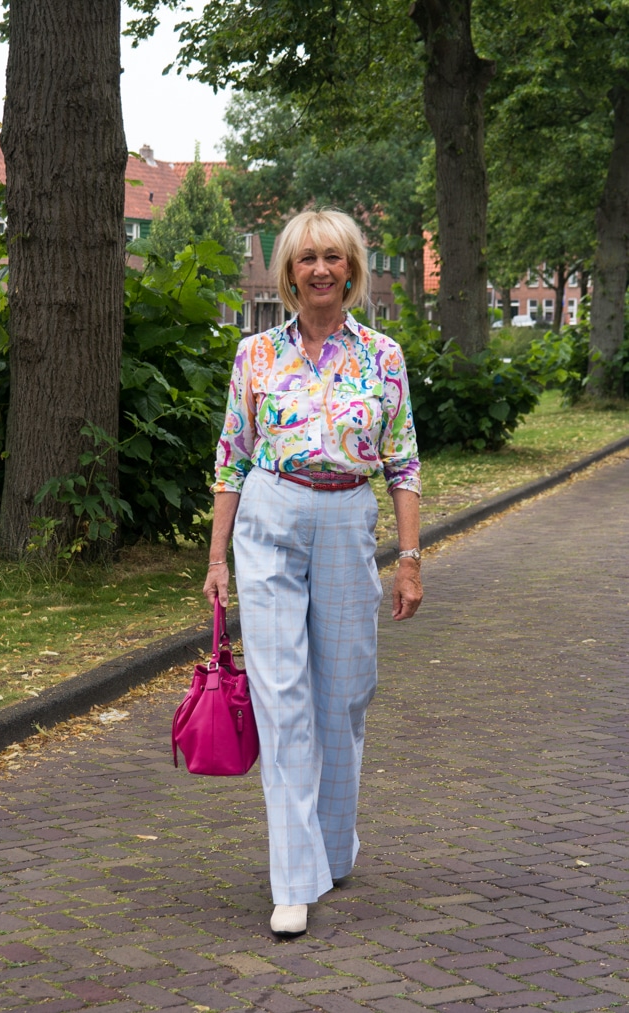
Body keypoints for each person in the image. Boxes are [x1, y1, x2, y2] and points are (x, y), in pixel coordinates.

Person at [203, 208, 422, 937]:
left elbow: (403, 460)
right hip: (270, 516)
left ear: (351, 268)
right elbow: (231, 455)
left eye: (332, 257)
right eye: (306, 259)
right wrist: (216, 559)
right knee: (281, 695)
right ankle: (293, 877)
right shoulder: (255, 354)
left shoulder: (383, 355)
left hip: (345, 515)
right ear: (289, 272)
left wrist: (411, 558)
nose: (320, 269)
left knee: (345, 692)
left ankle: (331, 843)